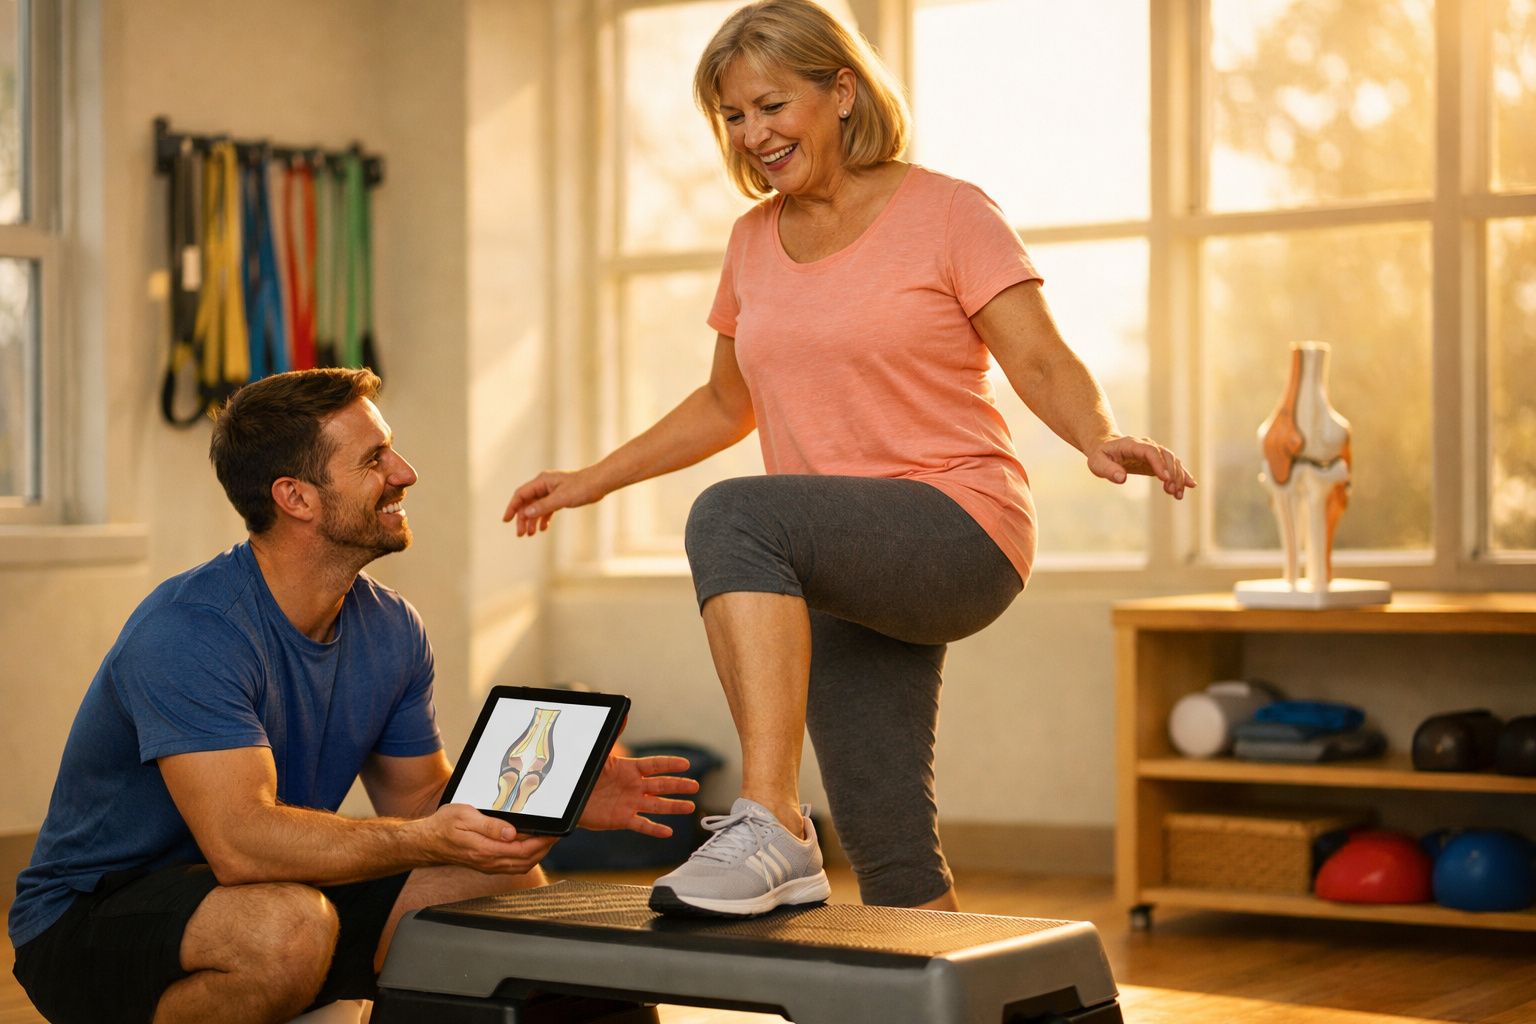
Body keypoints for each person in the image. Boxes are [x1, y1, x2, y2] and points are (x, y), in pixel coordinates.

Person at [504, 0, 1195, 920]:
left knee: (730, 515)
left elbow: (1037, 354)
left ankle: (773, 822)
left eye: (771, 105)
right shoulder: (752, 242)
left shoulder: (948, 210)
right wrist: (592, 479)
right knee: (891, 848)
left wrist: (1095, 434)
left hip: (958, 527)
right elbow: (725, 401)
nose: (754, 135)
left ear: (840, 91)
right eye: (735, 117)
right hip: (829, 559)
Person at [8, 368, 698, 1024]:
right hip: (91, 919)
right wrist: (423, 837)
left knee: (502, 892)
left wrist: (552, 800)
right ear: (296, 498)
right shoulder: (192, 630)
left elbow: (420, 805)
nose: (405, 473)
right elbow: (243, 845)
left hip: (261, 891)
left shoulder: (391, 626)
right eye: (375, 459)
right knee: (287, 930)